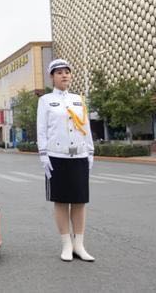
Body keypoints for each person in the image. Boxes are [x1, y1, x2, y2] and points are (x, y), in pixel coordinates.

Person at [37, 59, 95, 262]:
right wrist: (43, 154)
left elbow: (86, 127)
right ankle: (66, 245)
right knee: (61, 201)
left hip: (78, 155)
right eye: (59, 72)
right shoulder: (45, 101)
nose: (64, 75)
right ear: (52, 77)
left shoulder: (79, 99)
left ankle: (79, 244)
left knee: (79, 201)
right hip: (57, 156)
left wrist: (90, 152)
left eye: (67, 72)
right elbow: (42, 130)